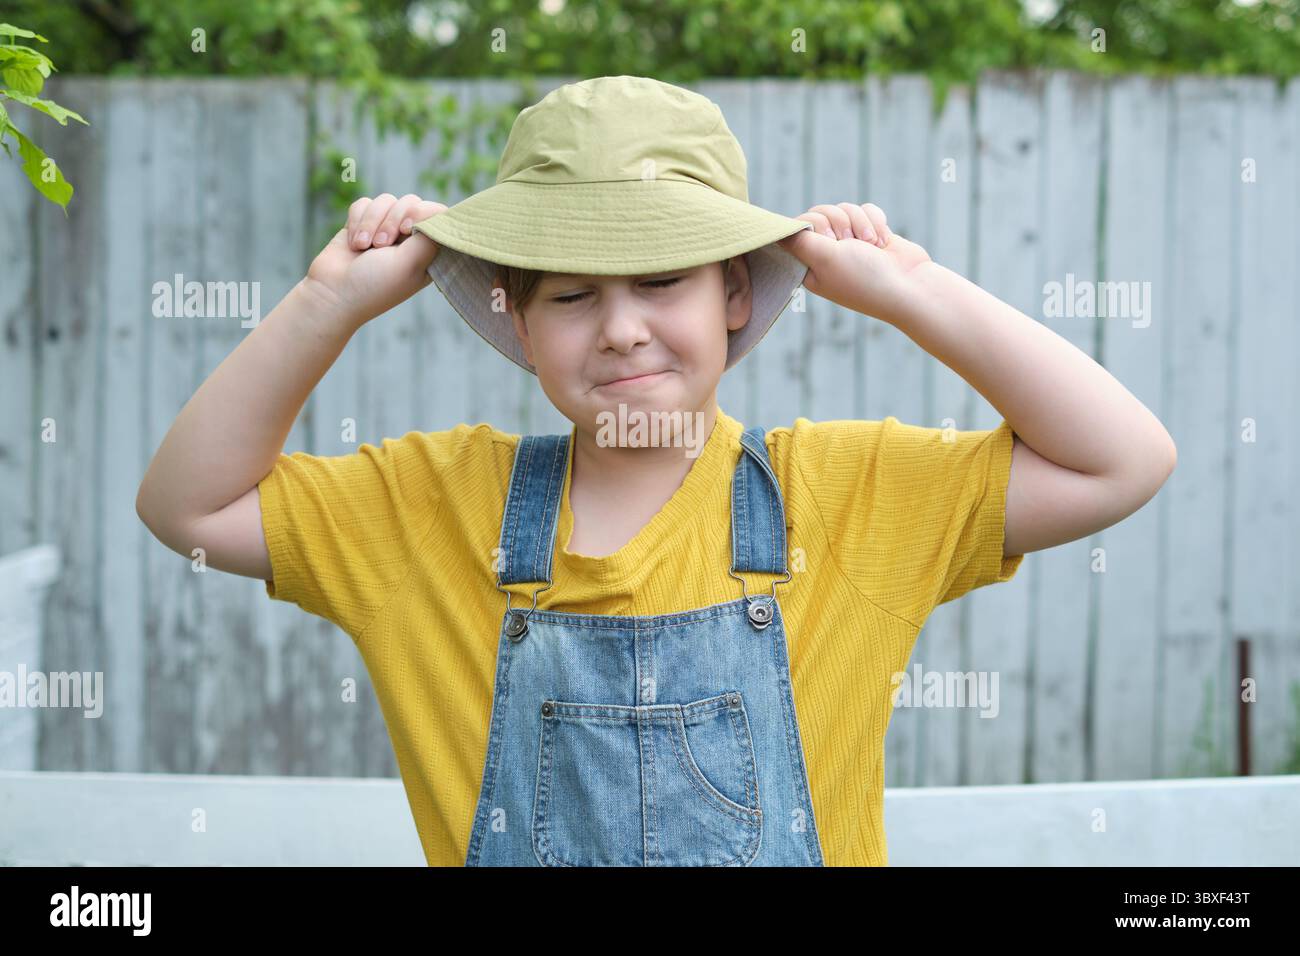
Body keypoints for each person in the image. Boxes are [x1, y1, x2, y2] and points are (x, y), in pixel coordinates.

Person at [136, 75, 1176, 866]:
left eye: (663, 280)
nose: (623, 329)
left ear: (735, 294)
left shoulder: (845, 496)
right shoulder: (433, 508)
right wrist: (329, 304)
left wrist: (913, 290)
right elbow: (187, 506)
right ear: (519, 317)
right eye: (572, 295)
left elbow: (1123, 459)